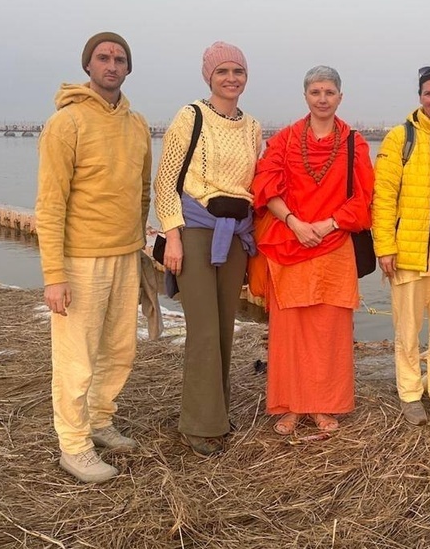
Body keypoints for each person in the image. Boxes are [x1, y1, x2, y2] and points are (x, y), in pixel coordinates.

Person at [36, 32, 152, 483]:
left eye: (120, 58)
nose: (112, 64)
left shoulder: (137, 123)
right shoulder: (66, 124)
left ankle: (101, 419)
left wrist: (137, 242)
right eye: (103, 58)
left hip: (126, 254)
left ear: (128, 68)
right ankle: (74, 444)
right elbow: (50, 204)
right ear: (88, 66)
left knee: (119, 349)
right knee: (75, 357)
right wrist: (54, 275)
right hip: (81, 259)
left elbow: (141, 191)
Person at [251, 66, 374, 435]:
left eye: (329, 92)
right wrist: (294, 223)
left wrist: (327, 225)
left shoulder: (355, 142)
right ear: (306, 96)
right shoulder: (285, 139)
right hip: (289, 241)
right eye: (316, 92)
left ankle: (324, 406)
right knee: (288, 331)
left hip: (334, 243)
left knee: (329, 331)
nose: (323, 98)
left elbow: (364, 198)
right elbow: (265, 186)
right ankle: (290, 405)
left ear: (340, 96)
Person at [154, 41, 262, 457]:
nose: (231, 78)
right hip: (196, 232)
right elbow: (165, 181)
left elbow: (254, 185)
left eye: (238, 71)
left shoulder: (251, 127)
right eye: (223, 72)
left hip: (235, 236)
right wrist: (173, 237)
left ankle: (215, 412)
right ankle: (198, 426)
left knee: (224, 326)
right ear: (208, 77)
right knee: (202, 329)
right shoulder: (191, 116)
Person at [372, 65, 430, 426]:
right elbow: (383, 197)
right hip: (410, 250)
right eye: (429, 94)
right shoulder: (400, 138)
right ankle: (411, 392)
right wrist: (384, 246)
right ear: (420, 98)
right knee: (408, 329)